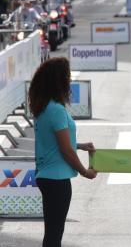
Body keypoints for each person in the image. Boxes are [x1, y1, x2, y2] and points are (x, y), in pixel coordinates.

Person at [28, 57, 97, 247]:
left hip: (47, 176)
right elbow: (65, 150)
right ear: (59, 80)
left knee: (52, 232)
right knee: (54, 235)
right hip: (57, 180)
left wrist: (81, 145)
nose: (69, 81)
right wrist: (85, 172)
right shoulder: (57, 110)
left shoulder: (43, 107)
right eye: (67, 76)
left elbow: (55, 143)